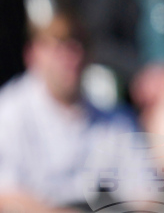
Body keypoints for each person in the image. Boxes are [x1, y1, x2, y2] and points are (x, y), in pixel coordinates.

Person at [0, 11, 137, 211]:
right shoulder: (9, 113)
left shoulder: (115, 117)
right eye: (58, 46)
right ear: (32, 53)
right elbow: (5, 196)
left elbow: (143, 191)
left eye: (78, 45)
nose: (70, 56)